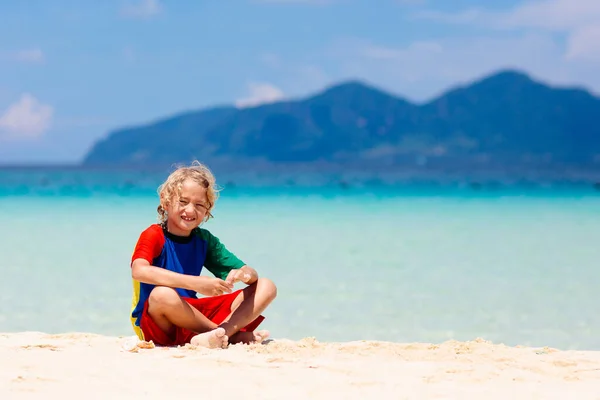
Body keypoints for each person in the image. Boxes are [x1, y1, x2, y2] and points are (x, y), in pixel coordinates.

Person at [128, 161, 277, 349]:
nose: (190, 210)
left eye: (199, 205)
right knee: (161, 294)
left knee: (266, 285)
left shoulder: (204, 240)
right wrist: (196, 283)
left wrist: (244, 274)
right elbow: (139, 271)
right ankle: (228, 335)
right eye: (182, 202)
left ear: (207, 211)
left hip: (192, 319)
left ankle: (221, 333)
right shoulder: (154, 234)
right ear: (165, 201)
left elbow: (250, 274)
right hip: (158, 322)